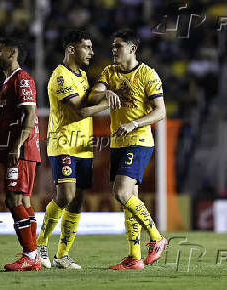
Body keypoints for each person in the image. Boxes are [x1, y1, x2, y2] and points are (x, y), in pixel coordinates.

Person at [91, 29, 168, 270]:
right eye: (113, 46)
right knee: (129, 199)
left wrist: (134, 123)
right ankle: (134, 257)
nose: (113, 50)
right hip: (118, 143)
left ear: (132, 49)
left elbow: (160, 112)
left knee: (122, 193)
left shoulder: (148, 75)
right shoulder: (109, 72)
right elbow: (94, 94)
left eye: (118, 46)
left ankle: (157, 238)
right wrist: (107, 92)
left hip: (139, 140)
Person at [36, 30, 109, 269]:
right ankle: (40, 244)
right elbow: (80, 110)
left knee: (77, 200)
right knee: (65, 195)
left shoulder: (84, 76)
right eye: (86, 47)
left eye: (91, 47)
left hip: (83, 146)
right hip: (63, 143)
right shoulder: (60, 77)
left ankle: (62, 255)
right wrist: (107, 101)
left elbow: (88, 103)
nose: (91, 52)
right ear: (71, 49)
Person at [0, 37, 41, 271]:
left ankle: (30, 253)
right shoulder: (9, 82)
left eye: (0, 49)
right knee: (23, 200)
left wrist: (17, 146)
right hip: (16, 146)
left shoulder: (22, 79)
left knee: (13, 199)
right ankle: (33, 253)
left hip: (22, 149)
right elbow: (12, 123)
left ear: (13, 52)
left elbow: (30, 114)